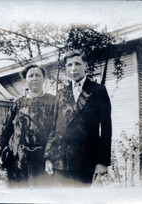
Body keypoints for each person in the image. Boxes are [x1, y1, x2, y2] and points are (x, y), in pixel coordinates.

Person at [44, 50, 112, 186]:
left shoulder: (98, 90)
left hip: (86, 160)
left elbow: (106, 128)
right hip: (61, 161)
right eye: (69, 65)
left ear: (85, 65)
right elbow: (54, 127)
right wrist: (48, 157)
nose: (73, 68)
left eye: (77, 63)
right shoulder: (61, 93)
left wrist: (102, 161)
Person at [0, 64, 55, 188]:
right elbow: (7, 130)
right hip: (18, 159)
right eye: (30, 76)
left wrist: (50, 157)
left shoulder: (53, 102)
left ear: (44, 78)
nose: (34, 78)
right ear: (25, 80)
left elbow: (57, 132)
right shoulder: (18, 104)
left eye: (38, 75)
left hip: (43, 159)